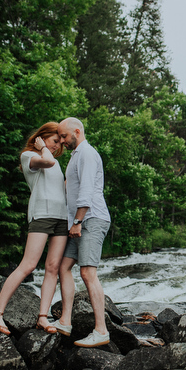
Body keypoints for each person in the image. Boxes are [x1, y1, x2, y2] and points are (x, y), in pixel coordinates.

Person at [0, 122, 68, 335]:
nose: (58, 146)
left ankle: (42, 317)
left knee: (52, 268)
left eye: (60, 143)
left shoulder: (54, 161)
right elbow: (47, 162)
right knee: (28, 265)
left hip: (61, 218)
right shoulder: (30, 156)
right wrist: (43, 148)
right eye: (54, 141)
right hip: (42, 215)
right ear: (42, 137)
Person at [54, 117, 111, 348]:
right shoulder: (75, 156)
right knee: (63, 267)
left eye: (65, 136)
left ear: (77, 131)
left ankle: (101, 330)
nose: (62, 141)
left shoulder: (87, 153)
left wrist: (77, 221)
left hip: (90, 219)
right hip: (77, 222)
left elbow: (87, 188)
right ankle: (65, 321)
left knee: (87, 273)